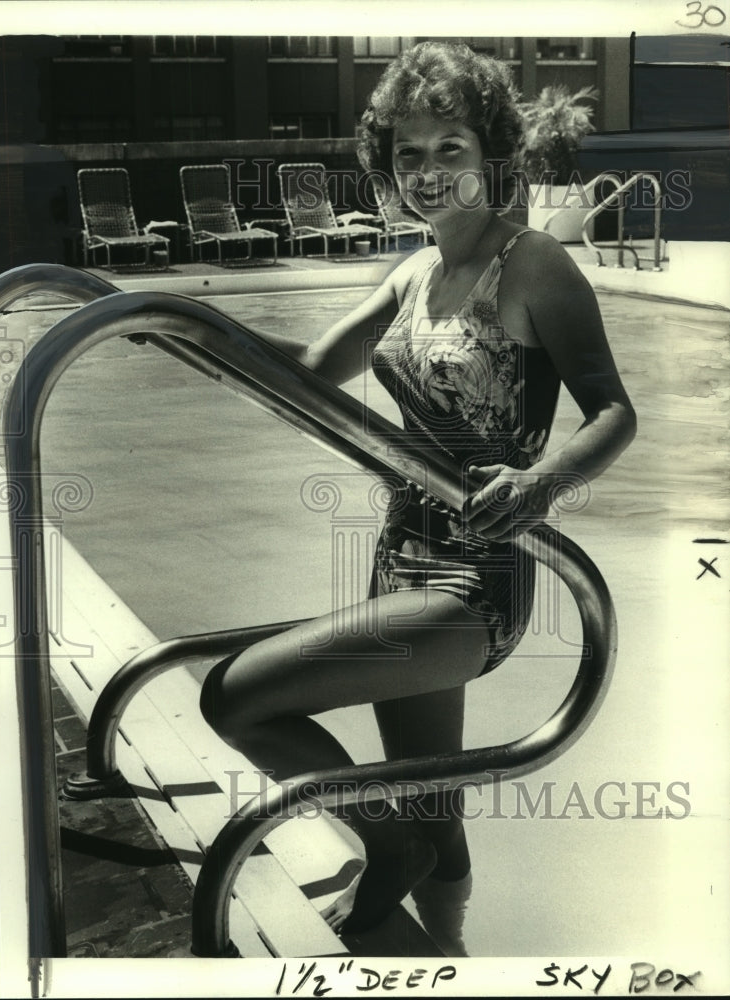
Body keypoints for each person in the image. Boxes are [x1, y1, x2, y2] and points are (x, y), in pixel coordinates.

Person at [200, 40, 636, 953]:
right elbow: (316, 372)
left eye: (449, 148)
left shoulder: (533, 267)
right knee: (433, 796)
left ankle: (381, 843)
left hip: (472, 585)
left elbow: (611, 412)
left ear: (490, 157)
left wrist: (541, 480)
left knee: (233, 702)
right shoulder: (408, 273)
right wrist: (183, 325)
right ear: (384, 164)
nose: (427, 171)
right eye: (407, 152)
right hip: (398, 561)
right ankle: (450, 949)